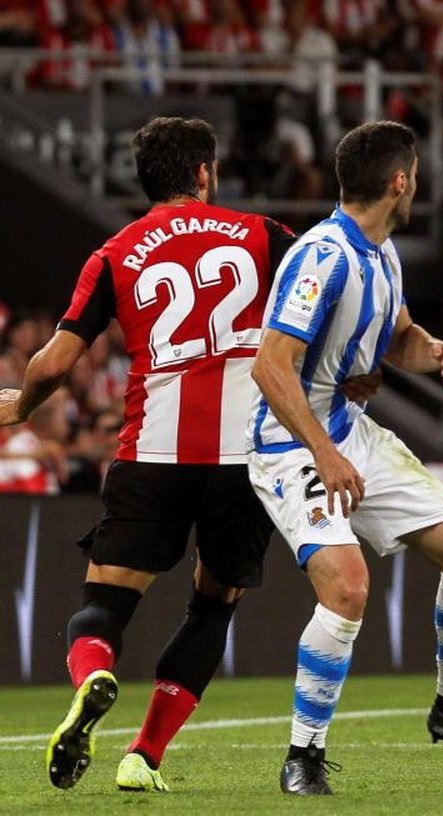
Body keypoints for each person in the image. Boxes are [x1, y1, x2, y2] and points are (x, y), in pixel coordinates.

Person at [0, 116, 297, 793]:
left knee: (104, 601)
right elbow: (322, 298)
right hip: (241, 458)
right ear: (202, 173)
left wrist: (20, 405)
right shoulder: (262, 236)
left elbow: (59, 356)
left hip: (151, 452)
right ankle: (144, 755)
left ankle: (95, 673)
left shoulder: (115, 252)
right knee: (213, 604)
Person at [246, 120, 443, 797]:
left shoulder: (382, 252)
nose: (418, 189)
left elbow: (396, 336)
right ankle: (303, 755)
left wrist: (432, 351)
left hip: (348, 430)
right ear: (400, 181)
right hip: (292, 447)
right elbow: (270, 367)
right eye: (416, 178)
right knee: (347, 589)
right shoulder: (323, 256)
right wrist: (325, 455)